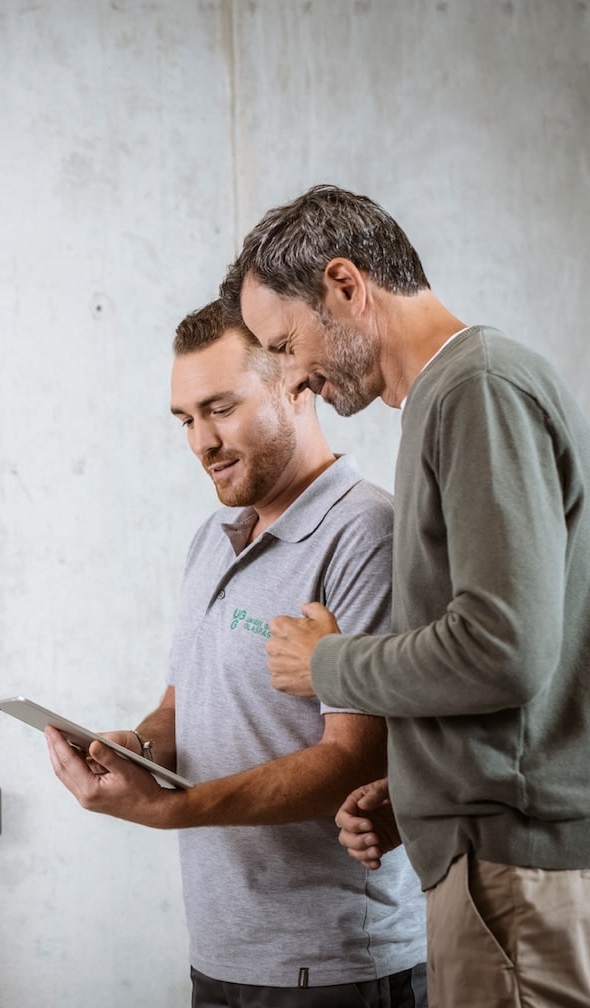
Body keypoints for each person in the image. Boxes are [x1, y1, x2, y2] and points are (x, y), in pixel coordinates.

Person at [228, 183, 590, 1008]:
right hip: (495, 859)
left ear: (347, 286)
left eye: (285, 346)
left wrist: (328, 665)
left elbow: (503, 649)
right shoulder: (451, 399)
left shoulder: (477, 391)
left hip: (514, 874)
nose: (292, 382)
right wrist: (426, 790)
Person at [46, 299, 426, 1007]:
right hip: (223, 949)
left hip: (336, 964)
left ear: (296, 384)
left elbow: (357, 756)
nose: (201, 442)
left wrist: (173, 810)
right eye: (186, 419)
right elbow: (179, 705)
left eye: (220, 409)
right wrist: (136, 748)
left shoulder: (367, 533)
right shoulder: (213, 537)